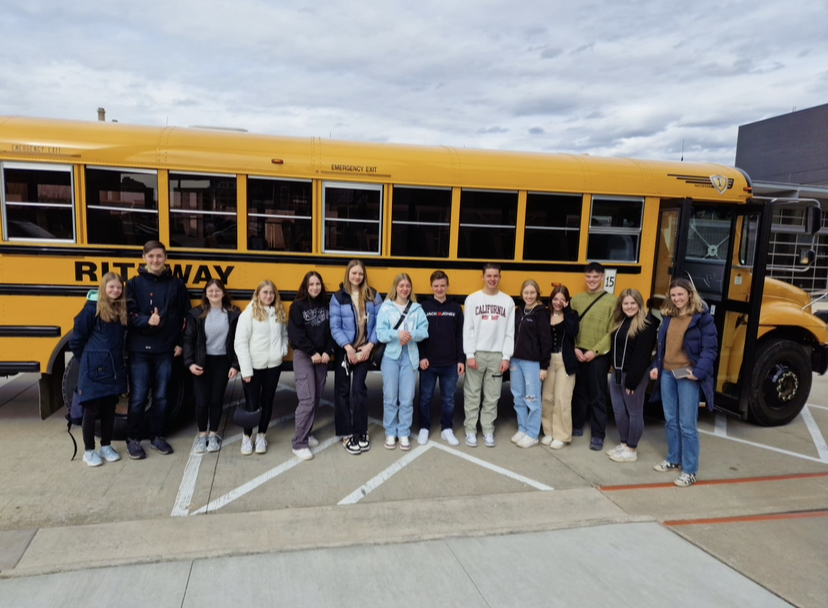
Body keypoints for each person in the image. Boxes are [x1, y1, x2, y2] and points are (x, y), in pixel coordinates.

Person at [126, 241, 190, 459]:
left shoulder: (176, 285)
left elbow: (185, 316)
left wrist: (181, 342)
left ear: (165, 259)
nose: (155, 260)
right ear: (144, 257)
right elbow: (127, 314)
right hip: (139, 349)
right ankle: (133, 439)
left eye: (159, 256)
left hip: (166, 349)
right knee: (139, 396)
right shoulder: (133, 284)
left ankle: (157, 436)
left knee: (162, 396)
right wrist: (147, 320)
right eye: (151, 256)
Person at [650, 278, 718, 487]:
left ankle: (690, 470)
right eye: (673, 295)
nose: (677, 298)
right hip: (668, 373)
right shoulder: (668, 316)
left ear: (690, 294)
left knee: (687, 424)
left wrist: (698, 372)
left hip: (686, 373)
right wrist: (656, 365)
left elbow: (710, 349)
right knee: (671, 420)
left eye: (680, 294)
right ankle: (673, 459)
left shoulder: (702, 318)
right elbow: (663, 345)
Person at [70, 272, 128, 467]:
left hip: (113, 368)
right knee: (91, 410)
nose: (115, 290)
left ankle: (106, 445)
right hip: (93, 369)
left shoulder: (120, 309)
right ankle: (89, 451)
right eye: (111, 287)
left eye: (118, 287)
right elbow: (76, 340)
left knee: (109, 409)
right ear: (103, 288)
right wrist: (88, 359)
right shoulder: (91, 309)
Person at [330, 260, 383, 455]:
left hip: (365, 351)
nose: (357, 277)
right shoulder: (338, 298)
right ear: (348, 274)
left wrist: (370, 346)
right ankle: (346, 433)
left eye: (360, 274)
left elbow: (380, 323)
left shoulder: (373, 295)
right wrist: (347, 348)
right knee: (342, 391)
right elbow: (334, 326)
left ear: (364, 275)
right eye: (354, 273)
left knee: (359, 389)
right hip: (345, 351)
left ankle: (361, 431)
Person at [182, 279, 240, 454]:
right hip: (202, 361)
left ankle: (213, 434)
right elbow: (188, 341)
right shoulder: (196, 314)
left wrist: (235, 365)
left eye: (217, 290)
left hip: (222, 361)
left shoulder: (233, 314)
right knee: (201, 400)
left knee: (216, 399)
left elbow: (239, 341)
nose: (214, 294)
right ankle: (202, 436)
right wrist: (190, 363)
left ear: (223, 293)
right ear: (206, 294)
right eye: (210, 291)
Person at [462, 263, 515, 448]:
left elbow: (510, 332)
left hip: (497, 355)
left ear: (500, 277)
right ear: (482, 276)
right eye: (489, 275)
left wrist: (506, 356)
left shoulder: (507, 301)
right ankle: (470, 430)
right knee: (472, 394)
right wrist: (469, 354)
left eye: (495, 276)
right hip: (477, 353)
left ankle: (488, 430)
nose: (492, 279)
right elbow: (467, 328)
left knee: (492, 396)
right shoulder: (472, 299)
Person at [234, 280, 289, 455]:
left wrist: (283, 350)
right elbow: (240, 343)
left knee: (267, 402)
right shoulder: (248, 314)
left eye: (272, 293)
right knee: (252, 403)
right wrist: (246, 370)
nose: (268, 296)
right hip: (254, 367)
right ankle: (247, 437)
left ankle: (261, 436)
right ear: (257, 294)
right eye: (265, 292)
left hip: (273, 365)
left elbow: (284, 334)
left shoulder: (278, 312)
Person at [377, 273, 429, 450]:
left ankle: (404, 432)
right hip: (391, 356)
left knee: (407, 398)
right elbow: (380, 333)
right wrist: (397, 334)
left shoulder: (417, 308)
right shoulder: (386, 307)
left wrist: (411, 335)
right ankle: (390, 432)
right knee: (390, 397)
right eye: (401, 286)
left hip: (410, 356)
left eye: (407, 286)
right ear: (396, 287)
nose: (405, 289)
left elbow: (424, 331)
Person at [606, 289, 659, 463]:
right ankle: (623, 444)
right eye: (626, 303)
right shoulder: (621, 321)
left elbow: (642, 356)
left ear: (639, 304)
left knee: (634, 413)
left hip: (633, 376)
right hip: (618, 373)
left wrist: (632, 382)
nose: (629, 306)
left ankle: (632, 448)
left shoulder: (647, 324)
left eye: (632, 303)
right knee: (619, 411)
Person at [570, 262, 617, 451]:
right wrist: (574, 348)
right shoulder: (576, 299)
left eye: (595, 277)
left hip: (598, 355)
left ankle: (598, 434)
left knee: (598, 395)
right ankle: (577, 424)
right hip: (578, 351)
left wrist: (594, 351)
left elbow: (611, 331)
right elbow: (570, 327)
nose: (591, 280)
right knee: (578, 392)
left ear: (603, 277)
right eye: (588, 277)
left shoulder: (612, 301)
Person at [288, 271, 335, 461]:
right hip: (305, 356)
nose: (315, 287)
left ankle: (306, 433)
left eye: (318, 284)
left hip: (322, 358)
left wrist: (327, 352)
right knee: (306, 399)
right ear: (305, 287)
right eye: (311, 284)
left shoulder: (327, 305)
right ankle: (299, 443)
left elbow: (333, 330)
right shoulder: (297, 306)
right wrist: (313, 352)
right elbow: (296, 334)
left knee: (315, 398)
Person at [417, 271, 465, 446]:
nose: (439, 289)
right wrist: (421, 357)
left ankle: (447, 429)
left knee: (449, 398)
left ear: (447, 286)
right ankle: (424, 427)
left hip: (450, 363)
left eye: (442, 285)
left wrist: (461, 359)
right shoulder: (423, 307)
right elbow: (419, 336)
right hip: (428, 363)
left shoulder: (456, 308)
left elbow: (460, 335)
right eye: (436, 286)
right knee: (425, 397)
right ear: (431, 287)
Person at [510, 280, 552, 449]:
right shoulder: (518, 311)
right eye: (526, 292)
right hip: (516, 360)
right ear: (522, 294)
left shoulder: (541, 313)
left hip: (532, 362)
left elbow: (546, 340)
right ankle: (522, 428)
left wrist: (544, 366)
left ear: (537, 294)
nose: (529, 296)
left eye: (532, 293)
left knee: (532, 398)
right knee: (518, 396)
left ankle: (533, 433)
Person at [540, 285, 580, 449]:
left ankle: (561, 435)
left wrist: (568, 310)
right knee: (547, 398)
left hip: (565, 361)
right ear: (551, 299)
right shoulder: (545, 314)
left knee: (562, 399)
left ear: (567, 301)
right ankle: (548, 431)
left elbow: (572, 332)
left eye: (562, 299)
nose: (558, 302)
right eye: (555, 299)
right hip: (549, 361)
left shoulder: (572, 315)